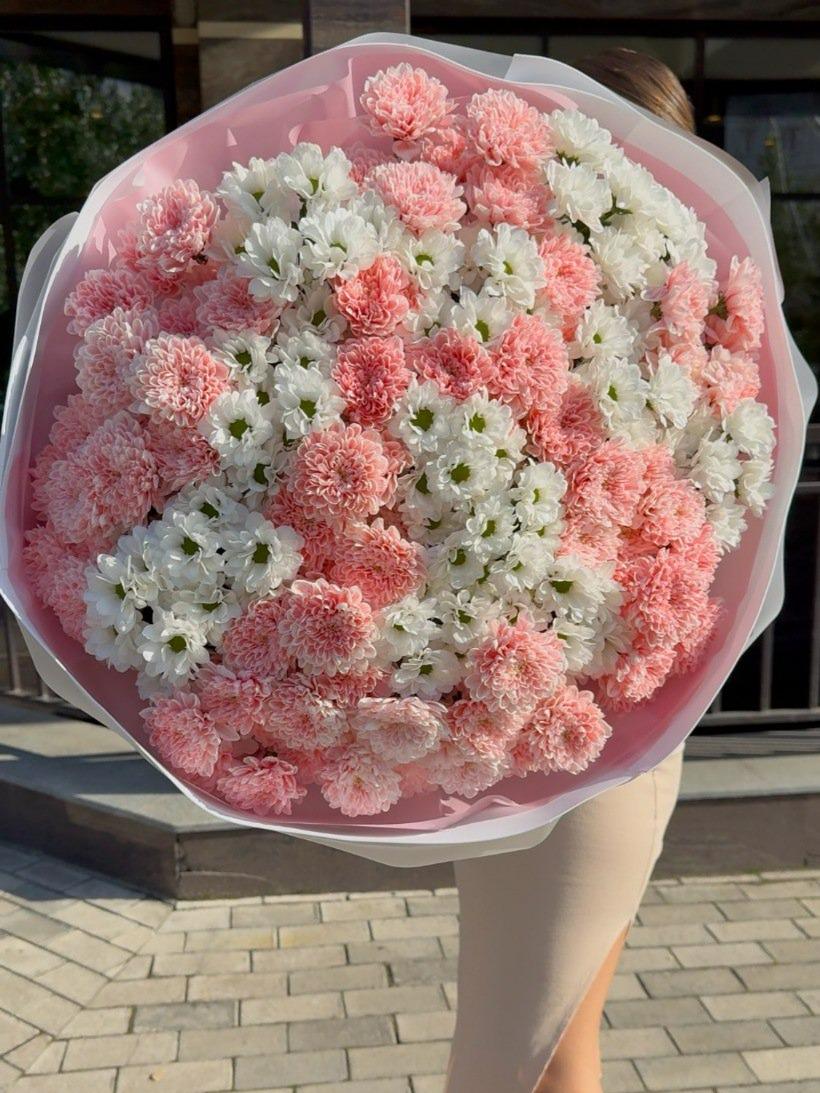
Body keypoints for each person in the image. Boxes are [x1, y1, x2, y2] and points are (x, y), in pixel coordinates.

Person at [445, 49, 695, 1093]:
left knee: (526, 1057)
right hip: (523, 720)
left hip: (604, 732)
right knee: (541, 1048)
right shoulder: (525, 303)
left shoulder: (685, 329)